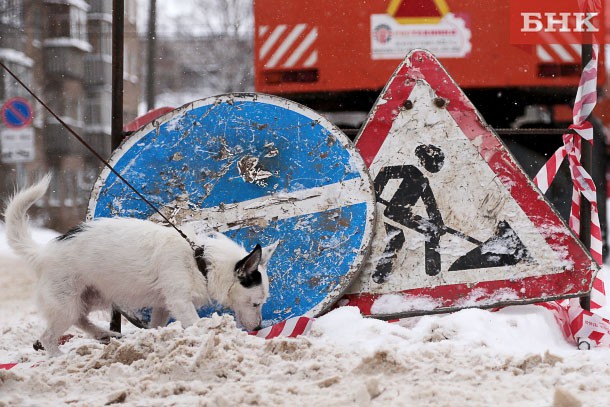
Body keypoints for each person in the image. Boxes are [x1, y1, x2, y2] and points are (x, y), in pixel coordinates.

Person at [372, 144, 446, 283]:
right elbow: (384, 172)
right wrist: (375, 193)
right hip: (394, 212)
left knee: (427, 232)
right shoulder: (411, 170)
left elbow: (430, 204)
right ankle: (380, 275)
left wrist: (439, 222)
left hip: (404, 213)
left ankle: (432, 273)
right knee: (399, 238)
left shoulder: (423, 180)